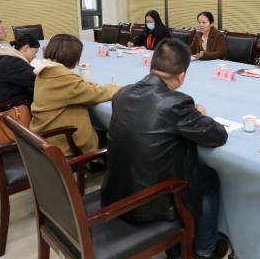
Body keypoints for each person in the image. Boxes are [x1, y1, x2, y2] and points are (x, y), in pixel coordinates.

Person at [101, 38, 231, 259]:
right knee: (208, 178)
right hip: (150, 202)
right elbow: (217, 135)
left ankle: (181, 244)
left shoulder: (122, 94)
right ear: (181, 76)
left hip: (115, 192)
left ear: (152, 65)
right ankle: (204, 249)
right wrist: (199, 115)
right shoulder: (176, 103)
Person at [30, 33, 118, 156]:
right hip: (61, 140)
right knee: (116, 137)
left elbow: (80, 88)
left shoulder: (45, 70)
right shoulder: (62, 77)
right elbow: (96, 93)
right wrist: (116, 88)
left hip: (45, 132)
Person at [0, 34, 39, 106]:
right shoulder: (16, 62)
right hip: (0, 107)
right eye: (35, 52)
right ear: (26, 47)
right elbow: (38, 79)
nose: (35, 56)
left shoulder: (5, 57)